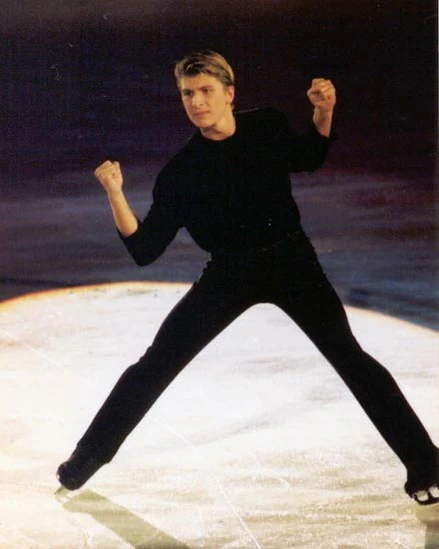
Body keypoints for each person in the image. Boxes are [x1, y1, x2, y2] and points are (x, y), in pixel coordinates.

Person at [57, 51, 438, 505]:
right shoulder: (182, 172)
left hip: (292, 262)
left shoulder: (266, 126)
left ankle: (426, 466)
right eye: (188, 94)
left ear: (229, 94)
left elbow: (309, 156)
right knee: (156, 363)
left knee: (351, 358)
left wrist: (324, 111)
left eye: (206, 91)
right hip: (229, 273)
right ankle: (85, 459)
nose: (197, 102)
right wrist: (116, 195)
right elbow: (145, 249)